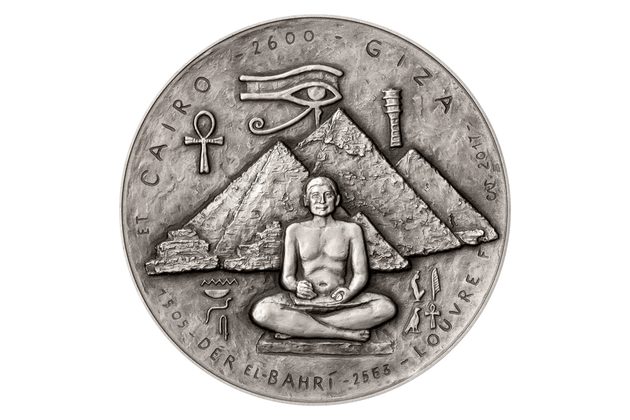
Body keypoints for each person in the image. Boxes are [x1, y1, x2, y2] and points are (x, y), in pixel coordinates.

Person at [250, 176, 396, 342]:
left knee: (386, 307)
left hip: (341, 302)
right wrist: (296, 287)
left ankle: (299, 327)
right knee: (261, 312)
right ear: (306, 200)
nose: (322, 201)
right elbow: (287, 278)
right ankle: (341, 333)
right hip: (304, 302)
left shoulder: (351, 230)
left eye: (328, 195)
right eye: (315, 196)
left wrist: (350, 291)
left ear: (337, 199)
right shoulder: (295, 230)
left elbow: (361, 275)